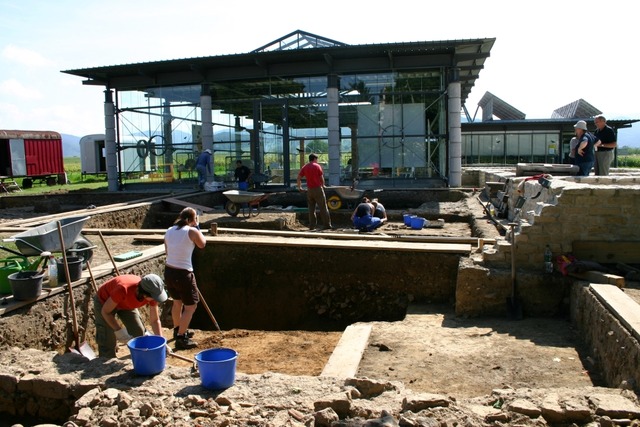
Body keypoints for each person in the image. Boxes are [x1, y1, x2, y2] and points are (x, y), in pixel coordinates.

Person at [93, 273, 167, 358]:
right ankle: (107, 363)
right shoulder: (123, 289)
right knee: (107, 339)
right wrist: (119, 331)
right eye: (154, 298)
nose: (155, 300)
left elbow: (155, 320)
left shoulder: (153, 293)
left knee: (139, 332)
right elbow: (106, 312)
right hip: (105, 302)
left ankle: (141, 359)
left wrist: (161, 342)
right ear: (144, 294)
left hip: (126, 304)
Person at [164, 207, 207, 350]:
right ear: (190, 220)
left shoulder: (169, 230)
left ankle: (178, 330)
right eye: (195, 218)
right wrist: (198, 226)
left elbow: (167, 251)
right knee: (191, 306)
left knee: (177, 303)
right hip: (183, 274)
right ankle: (181, 338)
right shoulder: (192, 231)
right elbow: (202, 244)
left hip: (169, 271)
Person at [297, 153, 332, 230]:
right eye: (317, 159)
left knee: (311, 209)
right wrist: (323, 185)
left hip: (309, 190)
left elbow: (299, 178)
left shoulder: (305, 167)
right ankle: (327, 225)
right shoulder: (317, 166)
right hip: (318, 189)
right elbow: (321, 177)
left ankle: (312, 225)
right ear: (315, 159)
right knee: (323, 207)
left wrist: (300, 187)